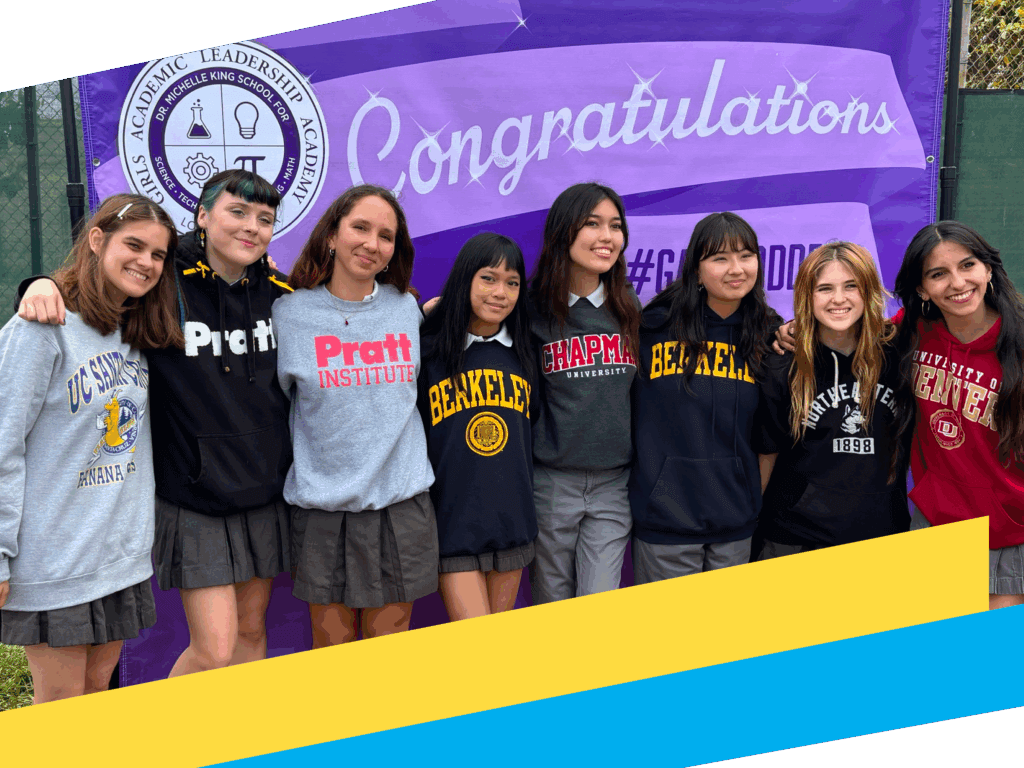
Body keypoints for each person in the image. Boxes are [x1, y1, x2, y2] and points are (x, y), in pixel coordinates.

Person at [18, 169, 295, 676]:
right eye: (237, 212)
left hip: (264, 489)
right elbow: (98, 283)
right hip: (193, 493)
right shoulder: (162, 279)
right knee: (215, 650)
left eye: (264, 219)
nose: (251, 227)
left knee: (253, 633)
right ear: (204, 216)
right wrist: (39, 284)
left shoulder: (279, 290)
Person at [0, 194, 181, 702]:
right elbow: (3, 445)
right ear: (97, 240)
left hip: (118, 556)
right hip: (55, 560)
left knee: (97, 694)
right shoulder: (41, 328)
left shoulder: (137, 330)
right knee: (60, 708)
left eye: (158, 255)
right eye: (134, 245)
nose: (145, 262)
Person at [275, 184, 439, 645]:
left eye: (385, 236)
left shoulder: (407, 308)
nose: (372, 243)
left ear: (393, 251)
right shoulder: (287, 314)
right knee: (332, 652)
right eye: (360, 227)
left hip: (400, 507)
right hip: (324, 511)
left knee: (390, 651)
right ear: (331, 234)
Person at [629, 212, 779, 582]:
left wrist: (746, 500)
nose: (736, 269)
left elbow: (769, 437)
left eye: (746, 255)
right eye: (720, 258)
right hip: (665, 523)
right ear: (696, 269)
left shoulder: (771, 336)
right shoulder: (653, 328)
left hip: (735, 527)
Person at [893, 222, 1024, 609]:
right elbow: (849, 333)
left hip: (1009, 529)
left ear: (987, 269)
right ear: (921, 289)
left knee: (996, 660)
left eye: (967, 265)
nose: (957, 282)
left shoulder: (1018, 342)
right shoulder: (913, 333)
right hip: (938, 522)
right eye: (938, 274)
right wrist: (792, 330)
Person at [754, 242, 914, 560]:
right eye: (824, 288)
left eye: (851, 286)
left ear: (868, 290)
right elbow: (766, 456)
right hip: (793, 540)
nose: (838, 299)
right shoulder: (783, 363)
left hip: (882, 536)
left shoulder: (899, 354)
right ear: (806, 296)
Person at [526, 182, 642, 603]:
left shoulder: (630, 308)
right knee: (551, 604)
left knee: (598, 604)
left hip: (613, 484)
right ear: (564, 231)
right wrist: (431, 307)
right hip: (552, 483)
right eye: (592, 224)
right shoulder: (531, 309)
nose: (606, 237)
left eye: (615, 226)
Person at [417, 232, 538, 621]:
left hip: (512, 520)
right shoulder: (428, 352)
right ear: (465, 279)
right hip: (453, 524)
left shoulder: (525, 351)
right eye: (488, 278)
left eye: (512, 282)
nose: (500, 292)